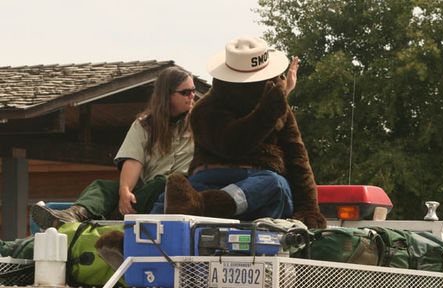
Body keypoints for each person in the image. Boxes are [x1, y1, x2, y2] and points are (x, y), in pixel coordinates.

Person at [163, 37, 327, 229]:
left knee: (274, 185)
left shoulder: (277, 107)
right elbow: (231, 145)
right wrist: (266, 114)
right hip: (212, 178)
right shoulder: (205, 109)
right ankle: (129, 241)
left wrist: (309, 208)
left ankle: (203, 207)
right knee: (166, 197)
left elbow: (297, 157)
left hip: (258, 183)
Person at [31, 66, 195, 229]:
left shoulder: (200, 121)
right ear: (167, 95)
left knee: (163, 183)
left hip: (177, 193)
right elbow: (133, 160)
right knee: (103, 187)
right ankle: (73, 215)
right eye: (185, 92)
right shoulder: (145, 125)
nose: (192, 96)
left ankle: (111, 215)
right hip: (146, 190)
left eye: (193, 91)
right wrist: (124, 191)